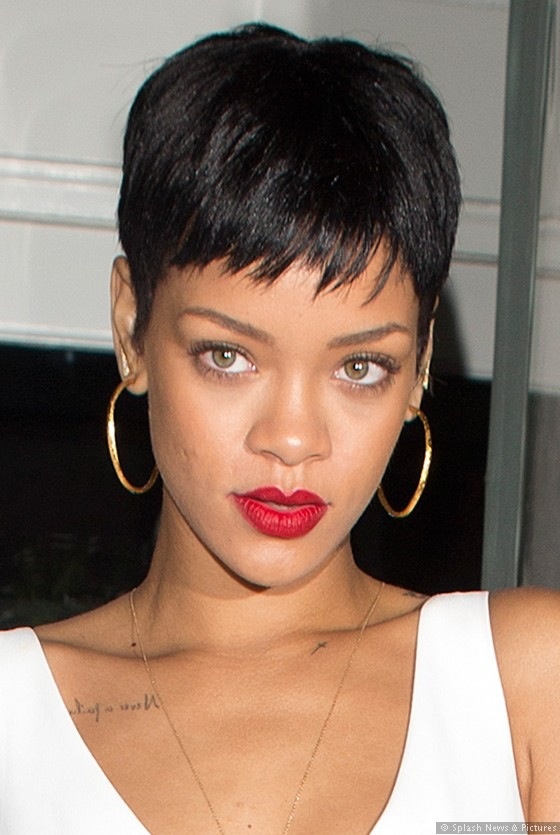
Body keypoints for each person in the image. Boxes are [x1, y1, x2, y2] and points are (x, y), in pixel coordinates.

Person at [1, 22, 559, 834]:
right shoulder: (11, 716)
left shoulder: (521, 688)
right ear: (131, 329)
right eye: (228, 356)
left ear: (419, 364)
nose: (293, 439)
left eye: (359, 366)